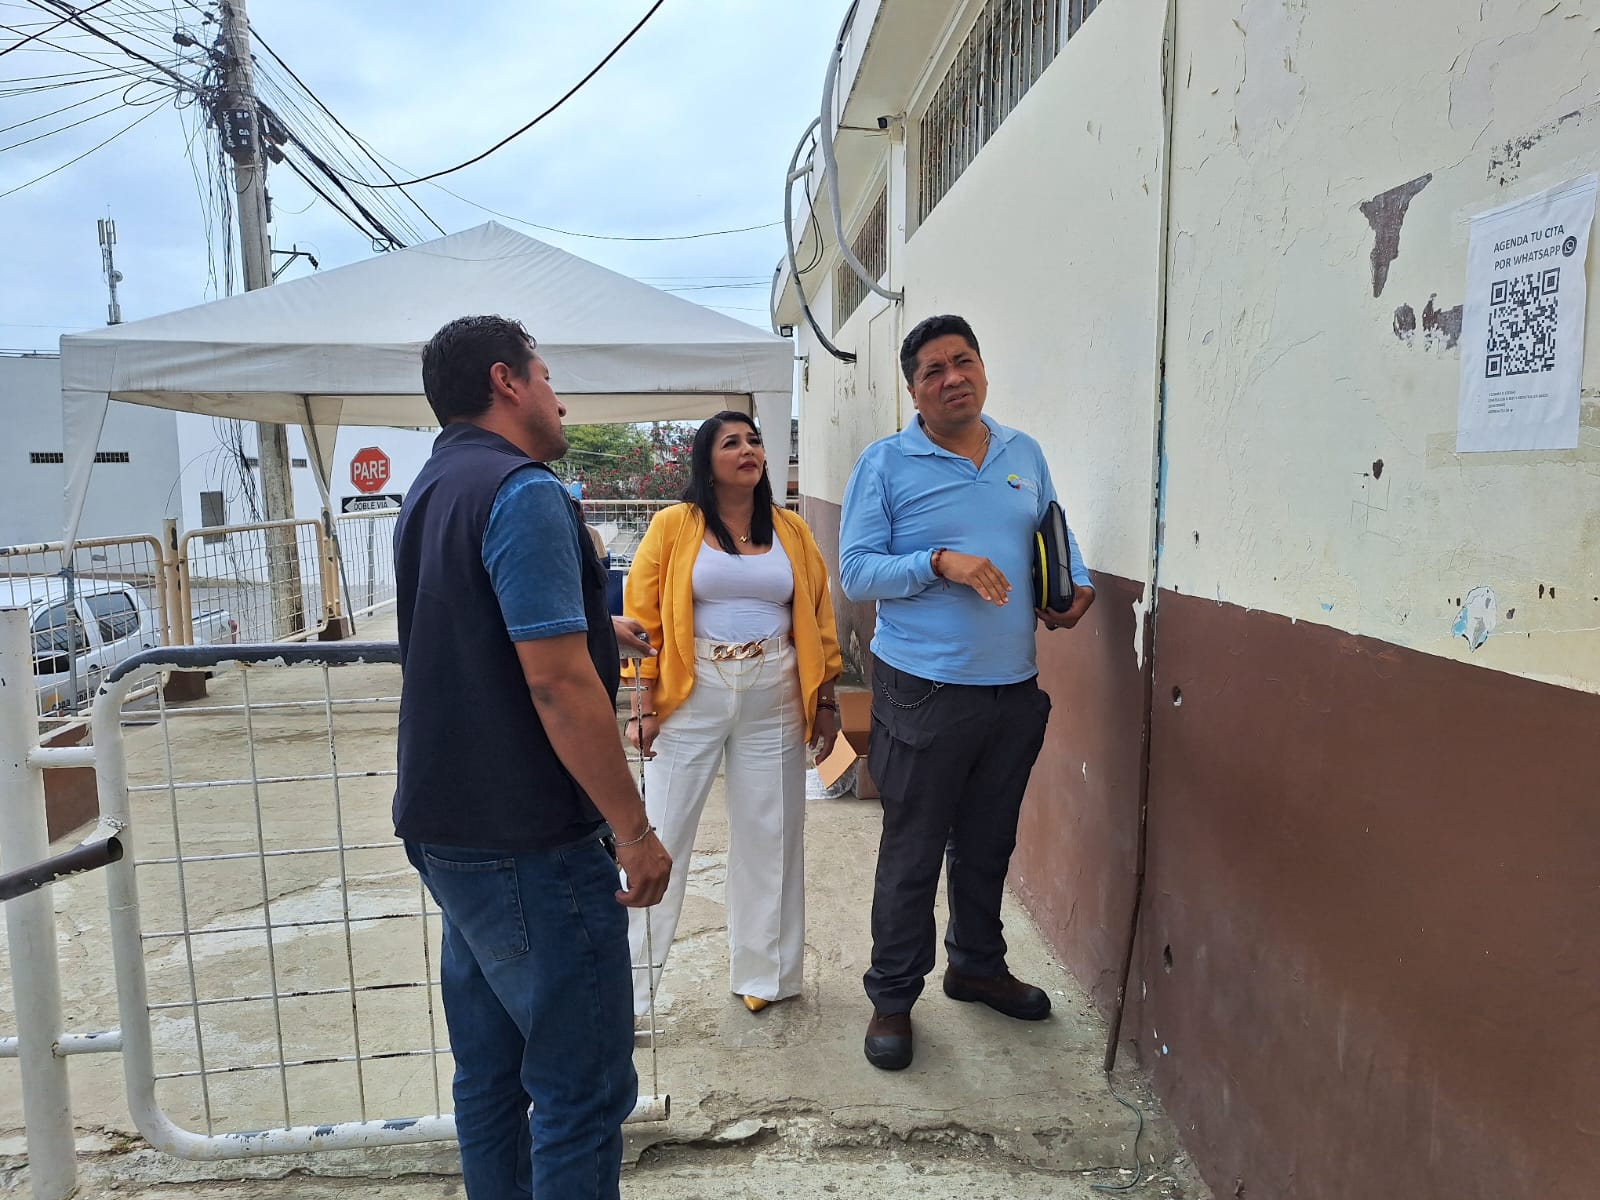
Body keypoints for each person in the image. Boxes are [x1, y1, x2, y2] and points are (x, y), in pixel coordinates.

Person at [392, 314, 671, 1199]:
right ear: (506, 381)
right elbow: (556, 684)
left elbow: (478, 621)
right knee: (581, 1092)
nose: (560, 400)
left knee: (492, 1075)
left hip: (450, 827)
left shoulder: (435, 485)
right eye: (547, 377)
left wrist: (594, 622)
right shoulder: (524, 491)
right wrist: (634, 829)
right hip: (529, 838)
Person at [838, 314, 1095, 1071]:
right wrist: (937, 562)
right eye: (934, 370)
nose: (953, 378)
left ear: (982, 368)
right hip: (923, 690)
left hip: (1012, 688)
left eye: (964, 361)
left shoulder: (1024, 453)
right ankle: (893, 998)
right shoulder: (886, 463)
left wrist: (1074, 590)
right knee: (914, 848)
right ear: (913, 390)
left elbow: (1054, 537)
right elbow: (856, 572)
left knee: (988, 841)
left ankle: (977, 966)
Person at [623, 410, 843, 1017]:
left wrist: (826, 702)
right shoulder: (675, 525)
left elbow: (819, 617)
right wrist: (642, 703)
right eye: (731, 442)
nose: (748, 450)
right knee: (660, 832)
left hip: (776, 689)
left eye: (754, 440)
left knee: (771, 834)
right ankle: (627, 993)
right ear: (707, 459)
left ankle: (765, 975)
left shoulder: (791, 529)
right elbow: (641, 618)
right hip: (692, 690)